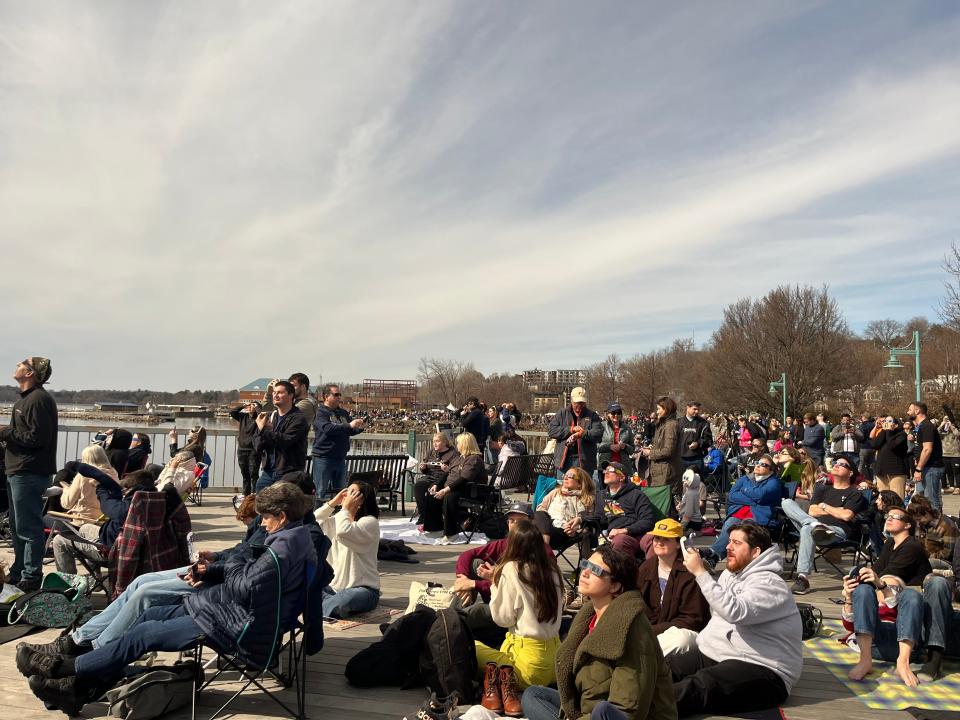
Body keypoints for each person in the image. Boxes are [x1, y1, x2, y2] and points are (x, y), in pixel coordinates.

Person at [20, 483, 317, 716]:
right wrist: (222, 568)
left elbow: (247, 586)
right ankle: (77, 688)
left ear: (282, 516)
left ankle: (64, 669)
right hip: (226, 610)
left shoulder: (281, 549)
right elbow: (250, 581)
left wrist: (232, 565)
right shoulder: (292, 538)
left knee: (143, 634)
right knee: (148, 616)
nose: (262, 524)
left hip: (239, 625)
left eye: (266, 518)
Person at [521, 545, 678, 720]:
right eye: (585, 564)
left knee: (601, 711)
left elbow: (628, 708)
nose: (585, 573)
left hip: (615, 716)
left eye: (594, 570)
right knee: (533, 695)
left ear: (615, 586)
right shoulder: (589, 616)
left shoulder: (631, 626)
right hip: (587, 710)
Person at [672, 524, 802, 718]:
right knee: (662, 667)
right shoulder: (729, 574)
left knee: (700, 686)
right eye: (729, 541)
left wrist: (701, 573)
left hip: (763, 669)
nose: (728, 547)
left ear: (756, 552)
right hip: (719, 653)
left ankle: (631, 712)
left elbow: (735, 612)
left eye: (736, 543)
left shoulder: (771, 584)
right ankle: (618, 696)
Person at [476, 519, 564, 716]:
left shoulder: (511, 569)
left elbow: (502, 619)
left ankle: (499, 685)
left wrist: (495, 583)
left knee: (471, 646)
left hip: (527, 664)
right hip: (555, 661)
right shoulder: (552, 570)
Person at [841, 507, 931, 687]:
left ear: (907, 525)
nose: (888, 519)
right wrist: (850, 597)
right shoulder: (890, 544)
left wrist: (882, 586)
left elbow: (885, 577)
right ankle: (865, 660)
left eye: (894, 517)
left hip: (907, 640)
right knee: (862, 587)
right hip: (875, 643)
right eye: (887, 516)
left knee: (911, 595)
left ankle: (903, 663)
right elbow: (876, 572)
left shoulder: (912, 547)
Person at [1, 357, 58, 592]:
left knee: (29, 527)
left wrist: (5, 432)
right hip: (19, 470)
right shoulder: (26, 400)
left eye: (22, 363)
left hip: (29, 471)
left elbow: (37, 438)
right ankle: (18, 571)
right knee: (17, 526)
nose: (17, 363)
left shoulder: (38, 400)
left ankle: (31, 576)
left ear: (30, 373)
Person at [636, 519, 710, 659]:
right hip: (651, 629)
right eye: (657, 538)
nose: (659, 542)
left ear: (678, 544)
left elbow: (692, 619)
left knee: (680, 640)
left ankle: (643, 660)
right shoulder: (646, 567)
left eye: (666, 539)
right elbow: (637, 602)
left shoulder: (690, 571)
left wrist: (653, 631)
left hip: (685, 631)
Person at [699, 454, 781, 567]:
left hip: (757, 516)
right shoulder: (745, 478)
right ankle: (714, 556)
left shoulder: (773, 482)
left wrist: (745, 491)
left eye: (763, 464)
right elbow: (732, 496)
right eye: (757, 462)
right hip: (738, 512)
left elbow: (760, 495)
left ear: (770, 469)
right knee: (729, 527)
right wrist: (753, 499)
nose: (758, 465)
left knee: (740, 531)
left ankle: (713, 554)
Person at [315, 480, 381, 618]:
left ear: (361, 499)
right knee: (305, 586)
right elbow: (313, 522)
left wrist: (345, 509)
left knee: (344, 600)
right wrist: (332, 503)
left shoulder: (369, 522)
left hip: (363, 590)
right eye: (346, 492)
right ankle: (324, 605)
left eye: (352, 493)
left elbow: (343, 532)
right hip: (332, 589)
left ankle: (316, 607)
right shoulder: (337, 520)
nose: (346, 495)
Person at [421, 433, 485, 544]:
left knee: (448, 497)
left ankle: (452, 533)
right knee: (432, 494)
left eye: (459, 443)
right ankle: (436, 529)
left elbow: (464, 479)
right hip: (456, 487)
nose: (457, 445)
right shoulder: (459, 457)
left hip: (470, 490)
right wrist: (437, 484)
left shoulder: (473, 459)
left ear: (465, 444)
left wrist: (445, 490)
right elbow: (447, 473)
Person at [253, 380, 309, 492]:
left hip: (288, 472)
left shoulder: (298, 418)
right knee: (260, 502)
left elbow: (285, 441)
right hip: (268, 471)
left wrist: (264, 430)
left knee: (283, 506)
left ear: (291, 395)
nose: (275, 395)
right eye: (274, 392)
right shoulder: (270, 416)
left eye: (280, 392)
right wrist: (260, 430)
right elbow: (257, 445)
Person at [311, 383, 365, 500]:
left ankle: (339, 516)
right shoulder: (321, 413)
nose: (339, 397)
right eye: (336, 395)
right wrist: (349, 425)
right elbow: (327, 429)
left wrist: (359, 427)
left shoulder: (343, 413)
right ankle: (318, 516)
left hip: (340, 457)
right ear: (326, 396)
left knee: (342, 492)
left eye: (339, 395)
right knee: (320, 491)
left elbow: (349, 430)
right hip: (323, 457)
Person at [594, 462, 655, 559]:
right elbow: (598, 519)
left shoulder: (636, 495)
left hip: (638, 535)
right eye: (605, 470)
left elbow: (647, 521)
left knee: (653, 540)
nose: (605, 473)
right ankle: (625, 573)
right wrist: (581, 520)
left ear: (622, 477)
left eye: (610, 471)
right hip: (615, 538)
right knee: (619, 541)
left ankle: (650, 573)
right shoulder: (601, 496)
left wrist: (625, 530)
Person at [533, 466, 595, 557]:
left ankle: (544, 552)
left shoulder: (587, 499)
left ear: (579, 483)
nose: (565, 477)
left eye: (570, 476)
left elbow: (589, 519)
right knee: (539, 514)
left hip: (565, 532)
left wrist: (575, 530)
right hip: (547, 526)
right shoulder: (555, 492)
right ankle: (545, 550)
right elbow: (541, 508)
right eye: (565, 475)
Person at [46, 445, 110, 528]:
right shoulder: (114, 474)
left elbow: (67, 504)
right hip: (104, 524)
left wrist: (66, 489)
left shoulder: (83, 476)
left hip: (81, 523)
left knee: (45, 518)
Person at [548, 387, 603, 478]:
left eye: (582, 403)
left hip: (585, 462)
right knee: (563, 489)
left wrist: (582, 434)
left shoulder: (592, 415)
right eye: (577, 403)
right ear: (572, 400)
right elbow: (551, 431)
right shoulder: (562, 413)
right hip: (564, 461)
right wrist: (571, 430)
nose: (579, 405)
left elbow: (598, 433)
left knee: (584, 490)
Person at [414, 433, 462, 534]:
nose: (434, 444)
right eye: (433, 441)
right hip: (430, 476)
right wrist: (423, 467)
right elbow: (425, 465)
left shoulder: (453, 453)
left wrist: (446, 469)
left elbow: (454, 470)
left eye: (437, 441)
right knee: (418, 485)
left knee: (431, 491)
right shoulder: (432, 451)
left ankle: (432, 520)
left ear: (444, 442)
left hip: (442, 478)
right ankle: (423, 515)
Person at [641, 397, 682, 493]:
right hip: (660, 473)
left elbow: (668, 450)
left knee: (665, 505)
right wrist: (653, 447)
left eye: (659, 409)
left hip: (666, 474)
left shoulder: (671, 425)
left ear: (666, 409)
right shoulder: (663, 424)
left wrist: (650, 453)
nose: (657, 412)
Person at [910, 401, 945, 512]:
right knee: (922, 501)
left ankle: (938, 527)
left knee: (931, 501)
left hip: (931, 468)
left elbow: (927, 449)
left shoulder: (927, 426)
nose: (908, 412)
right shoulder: (921, 427)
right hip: (925, 468)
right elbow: (921, 448)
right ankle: (926, 526)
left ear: (917, 411)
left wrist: (918, 469)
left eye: (910, 409)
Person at [908, 493, 959, 564]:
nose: (918, 522)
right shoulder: (921, 524)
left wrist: (928, 558)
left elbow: (948, 552)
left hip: (944, 562)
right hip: (923, 559)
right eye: (915, 520)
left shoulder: (947, 525)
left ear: (928, 512)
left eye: (919, 519)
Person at [871, 413, 909, 499]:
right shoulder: (884, 433)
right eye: (885, 421)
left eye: (889, 421)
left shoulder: (901, 434)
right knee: (883, 498)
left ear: (895, 425)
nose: (886, 423)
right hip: (882, 471)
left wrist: (889, 431)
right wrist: (884, 431)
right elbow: (875, 445)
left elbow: (892, 445)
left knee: (896, 498)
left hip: (896, 472)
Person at [229, 400, 263, 496]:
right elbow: (232, 412)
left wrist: (258, 409)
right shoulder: (243, 417)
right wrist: (243, 405)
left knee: (253, 474)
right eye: (249, 405)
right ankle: (246, 495)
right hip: (242, 449)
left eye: (252, 405)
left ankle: (255, 495)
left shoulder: (259, 418)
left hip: (254, 450)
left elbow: (264, 418)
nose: (250, 406)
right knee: (245, 474)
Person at [598, 402, 636, 478]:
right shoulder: (601, 426)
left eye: (618, 413)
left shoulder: (627, 428)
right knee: (605, 489)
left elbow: (632, 449)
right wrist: (610, 446)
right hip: (606, 466)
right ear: (608, 414)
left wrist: (625, 446)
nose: (616, 415)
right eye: (613, 413)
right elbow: (596, 446)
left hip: (622, 467)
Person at [677, 401, 712, 475]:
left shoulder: (703, 423)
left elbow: (709, 440)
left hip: (696, 459)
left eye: (698, 410)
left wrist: (698, 443)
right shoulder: (678, 422)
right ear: (688, 408)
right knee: (680, 483)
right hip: (680, 458)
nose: (697, 411)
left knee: (697, 483)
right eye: (694, 409)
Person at [938, 416, 960, 495]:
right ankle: (951, 487)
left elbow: (957, 434)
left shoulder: (956, 429)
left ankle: (958, 487)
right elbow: (935, 433)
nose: (947, 421)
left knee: (957, 471)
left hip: (955, 455)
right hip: (944, 454)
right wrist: (942, 424)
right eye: (945, 419)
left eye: (948, 419)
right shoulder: (943, 432)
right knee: (948, 471)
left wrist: (951, 425)